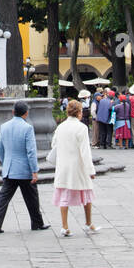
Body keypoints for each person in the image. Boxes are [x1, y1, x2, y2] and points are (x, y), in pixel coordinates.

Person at [0, 101, 49, 234]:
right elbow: (31, 151)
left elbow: (0, 148)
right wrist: (34, 171)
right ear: (26, 113)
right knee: (32, 197)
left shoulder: (4, 126)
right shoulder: (27, 128)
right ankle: (37, 223)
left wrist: (6, 163)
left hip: (10, 169)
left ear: (13, 112)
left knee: (3, 198)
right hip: (24, 170)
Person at [52, 100, 99, 237]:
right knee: (86, 193)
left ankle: (64, 226)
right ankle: (88, 222)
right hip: (78, 165)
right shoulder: (81, 128)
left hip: (63, 164)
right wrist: (90, 170)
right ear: (79, 113)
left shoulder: (60, 126)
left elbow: (54, 144)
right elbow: (85, 151)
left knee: (64, 195)